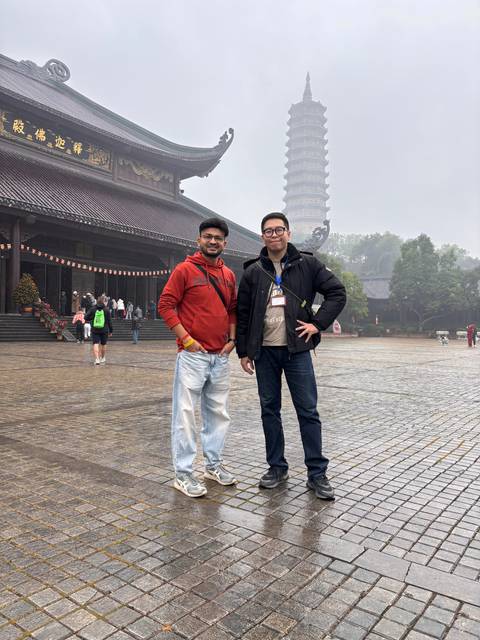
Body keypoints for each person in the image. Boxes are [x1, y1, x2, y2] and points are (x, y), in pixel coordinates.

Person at [236, 212, 346, 500]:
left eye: (279, 230)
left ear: (288, 233)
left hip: (297, 351)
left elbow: (337, 292)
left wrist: (318, 324)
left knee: (308, 411)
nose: (274, 235)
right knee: (269, 410)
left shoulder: (307, 264)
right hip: (265, 353)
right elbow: (243, 314)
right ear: (262, 236)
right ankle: (276, 467)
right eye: (268, 231)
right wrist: (244, 351)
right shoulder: (253, 271)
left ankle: (317, 473)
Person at [158, 217, 237, 498]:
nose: (212, 241)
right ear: (198, 240)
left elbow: (232, 310)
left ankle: (213, 465)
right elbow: (165, 305)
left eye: (218, 237)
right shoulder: (185, 270)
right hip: (192, 356)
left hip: (220, 356)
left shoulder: (228, 275)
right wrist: (186, 339)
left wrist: (232, 340)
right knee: (185, 415)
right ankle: (183, 473)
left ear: (225, 243)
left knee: (218, 414)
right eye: (207, 236)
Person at [85, 295, 113, 365]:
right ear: (104, 301)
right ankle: (103, 358)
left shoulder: (93, 308)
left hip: (95, 329)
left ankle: (97, 359)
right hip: (104, 330)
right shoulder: (106, 310)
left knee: (95, 344)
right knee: (103, 344)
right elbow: (109, 322)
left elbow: (86, 317)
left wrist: (92, 317)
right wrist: (111, 331)